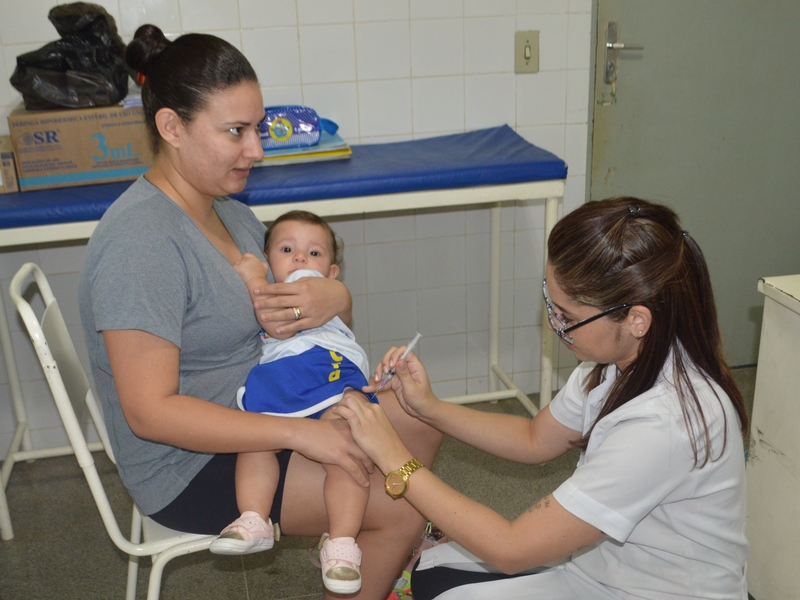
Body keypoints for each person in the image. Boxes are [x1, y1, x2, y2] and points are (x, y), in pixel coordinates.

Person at [78, 24, 441, 599]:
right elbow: (150, 415)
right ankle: (384, 539)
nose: (257, 149)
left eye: (258, 127)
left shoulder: (229, 212)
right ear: (171, 126)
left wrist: (336, 298)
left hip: (259, 403)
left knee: (418, 418)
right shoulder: (140, 245)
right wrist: (301, 434)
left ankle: (370, 557)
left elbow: (293, 301)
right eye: (236, 132)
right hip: (187, 462)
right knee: (402, 505)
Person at [336, 197, 749, 600]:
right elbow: (535, 437)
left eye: (567, 317)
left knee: (452, 585)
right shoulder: (614, 362)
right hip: (600, 565)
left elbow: (512, 548)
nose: (553, 324)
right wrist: (428, 408)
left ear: (636, 320)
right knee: (432, 575)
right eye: (551, 303)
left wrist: (396, 459)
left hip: (645, 589)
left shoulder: (664, 422)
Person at [210, 210, 379, 594]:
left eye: (314, 253)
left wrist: (254, 277)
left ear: (331, 273)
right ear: (272, 260)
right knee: (257, 441)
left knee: (343, 453)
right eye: (288, 249)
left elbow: (277, 321)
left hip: (323, 370)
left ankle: (339, 541)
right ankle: (258, 518)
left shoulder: (307, 286)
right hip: (292, 376)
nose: (302, 259)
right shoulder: (319, 289)